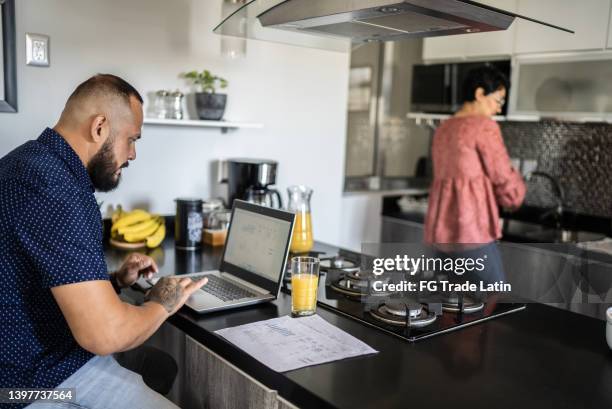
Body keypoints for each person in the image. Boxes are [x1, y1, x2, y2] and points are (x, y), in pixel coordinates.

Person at [0, 74, 207, 408]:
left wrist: (113, 282)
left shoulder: (31, 163)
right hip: (30, 386)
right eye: (131, 139)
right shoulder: (53, 189)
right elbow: (105, 334)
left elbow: (40, 285)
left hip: (43, 360)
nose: (133, 154)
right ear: (99, 128)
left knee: (160, 366)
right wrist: (162, 303)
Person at [424, 66, 526, 284]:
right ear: (480, 94)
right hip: (471, 230)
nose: (499, 109)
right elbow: (502, 176)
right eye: (498, 100)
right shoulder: (484, 126)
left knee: (448, 299)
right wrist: (516, 195)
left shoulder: (444, 127)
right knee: (492, 295)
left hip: (440, 230)